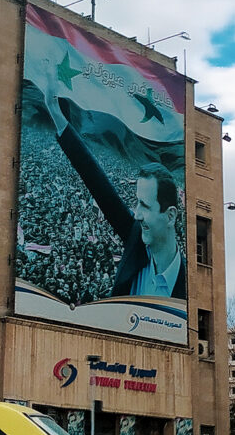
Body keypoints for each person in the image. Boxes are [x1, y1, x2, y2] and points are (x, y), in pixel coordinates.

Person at [37, 59, 187, 300]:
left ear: (170, 215)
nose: (136, 214)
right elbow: (96, 179)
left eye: (145, 206)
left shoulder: (188, 284)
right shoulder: (135, 245)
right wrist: (54, 110)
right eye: (137, 203)